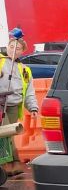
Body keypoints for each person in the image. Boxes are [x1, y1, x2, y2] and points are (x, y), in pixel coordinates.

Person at [1, 29, 38, 176]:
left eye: (17, 48)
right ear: (7, 46)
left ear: (22, 51)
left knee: (9, 134)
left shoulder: (25, 70)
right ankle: (6, 165)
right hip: (0, 104)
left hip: (14, 106)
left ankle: (11, 164)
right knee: (4, 134)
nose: (13, 50)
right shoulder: (0, 61)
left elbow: (29, 91)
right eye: (11, 47)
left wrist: (33, 107)